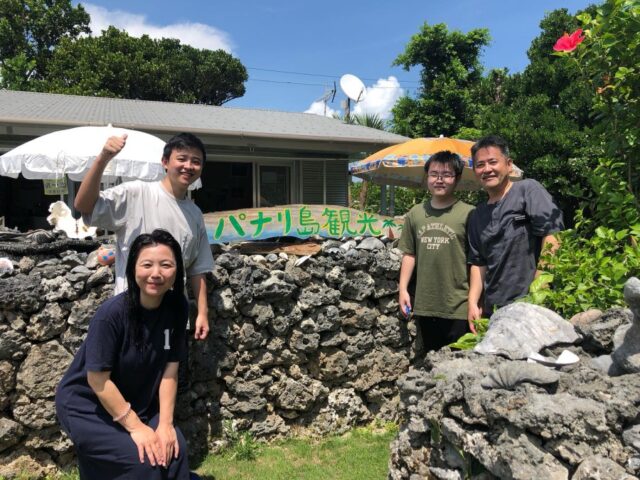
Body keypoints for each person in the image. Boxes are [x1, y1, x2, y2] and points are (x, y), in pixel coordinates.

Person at [56, 229, 191, 479]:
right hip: (88, 405)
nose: (156, 274)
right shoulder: (112, 315)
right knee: (145, 461)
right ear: (133, 269)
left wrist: (165, 424)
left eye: (166, 265)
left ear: (177, 270)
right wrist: (137, 427)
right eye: (147, 264)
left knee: (176, 450)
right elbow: (97, 380)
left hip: (136, 400)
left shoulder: (177, 307)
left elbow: (171, 369)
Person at [74, 132, 214, 341]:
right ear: (165, 162)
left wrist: (202, 313)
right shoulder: (136, 193)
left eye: (196, 161)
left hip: (173, 317)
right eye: (182, 159)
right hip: (131, 313)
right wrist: (102, 158)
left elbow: (197, 269)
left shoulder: (194, 214)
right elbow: (84, 206)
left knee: (171, 373)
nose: (188, 166)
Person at [467, 135, 564, 329]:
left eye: (493, 162)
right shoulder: (477, 215)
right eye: (480, 165)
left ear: (509, 164)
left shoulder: (527, 190)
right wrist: (472, 302)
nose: (487, 169)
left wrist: (540, 287)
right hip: (493, 311)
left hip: (533, 304)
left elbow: (553, 235)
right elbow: (478, 263)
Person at [398, 150, 475, 352]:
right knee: (433, 362)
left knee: (460, 364)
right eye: (433, 174)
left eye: (446, 175)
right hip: (426, 304)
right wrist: (403, 289)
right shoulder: (415, 213)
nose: (439, 180)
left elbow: (476, 261)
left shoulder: (469, 213)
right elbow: (409, 254)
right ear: (427, 177)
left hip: (459, 305)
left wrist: (476, 301)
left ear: (457, 179)